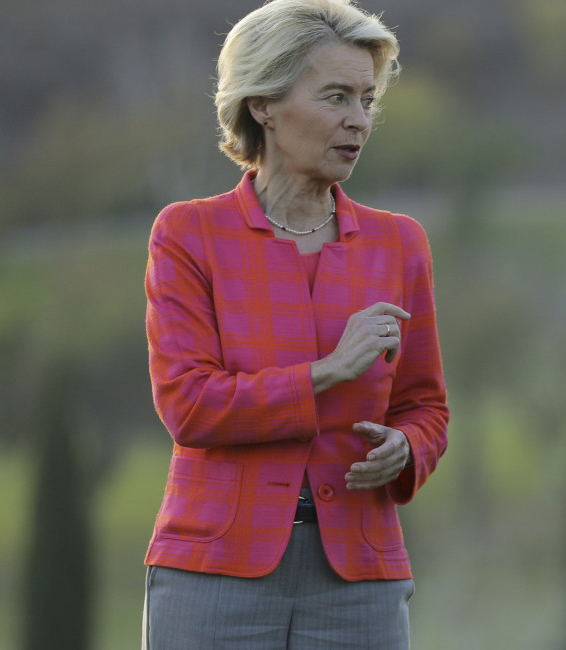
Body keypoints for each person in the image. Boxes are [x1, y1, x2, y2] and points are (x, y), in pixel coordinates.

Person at [140, 1, 448, 647]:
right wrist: (329, 371)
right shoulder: (190, 233)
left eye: (367, 99)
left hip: (359, 575)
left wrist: (406, 449)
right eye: (336, 97)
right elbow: (189, 407)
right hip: (214, 569)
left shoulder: (399, 243)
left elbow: (424, 406)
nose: (357, 121)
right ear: (263, 104)